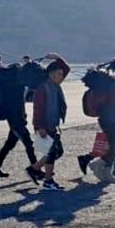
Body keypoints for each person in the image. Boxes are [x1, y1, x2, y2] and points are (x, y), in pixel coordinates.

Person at [27, 53, 70, 190]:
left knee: (58, 152)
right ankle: (48, 181)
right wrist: (39, 127)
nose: (62, 76)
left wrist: (57, 57)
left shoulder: (56, 84)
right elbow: (37, 109)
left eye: (62, 74)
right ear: (51, 74)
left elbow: (66, 68)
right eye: (59, 74)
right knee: (51, 153)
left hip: (53, 124)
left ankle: (34, 169)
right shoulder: (42, 88)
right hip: (45, 125)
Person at [0, 61, 38, 179]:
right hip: (17, 120)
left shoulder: (7, 83)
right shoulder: (17, 84)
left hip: (13, 119)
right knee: (29, 144)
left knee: (9, 145)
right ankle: (35, 169)